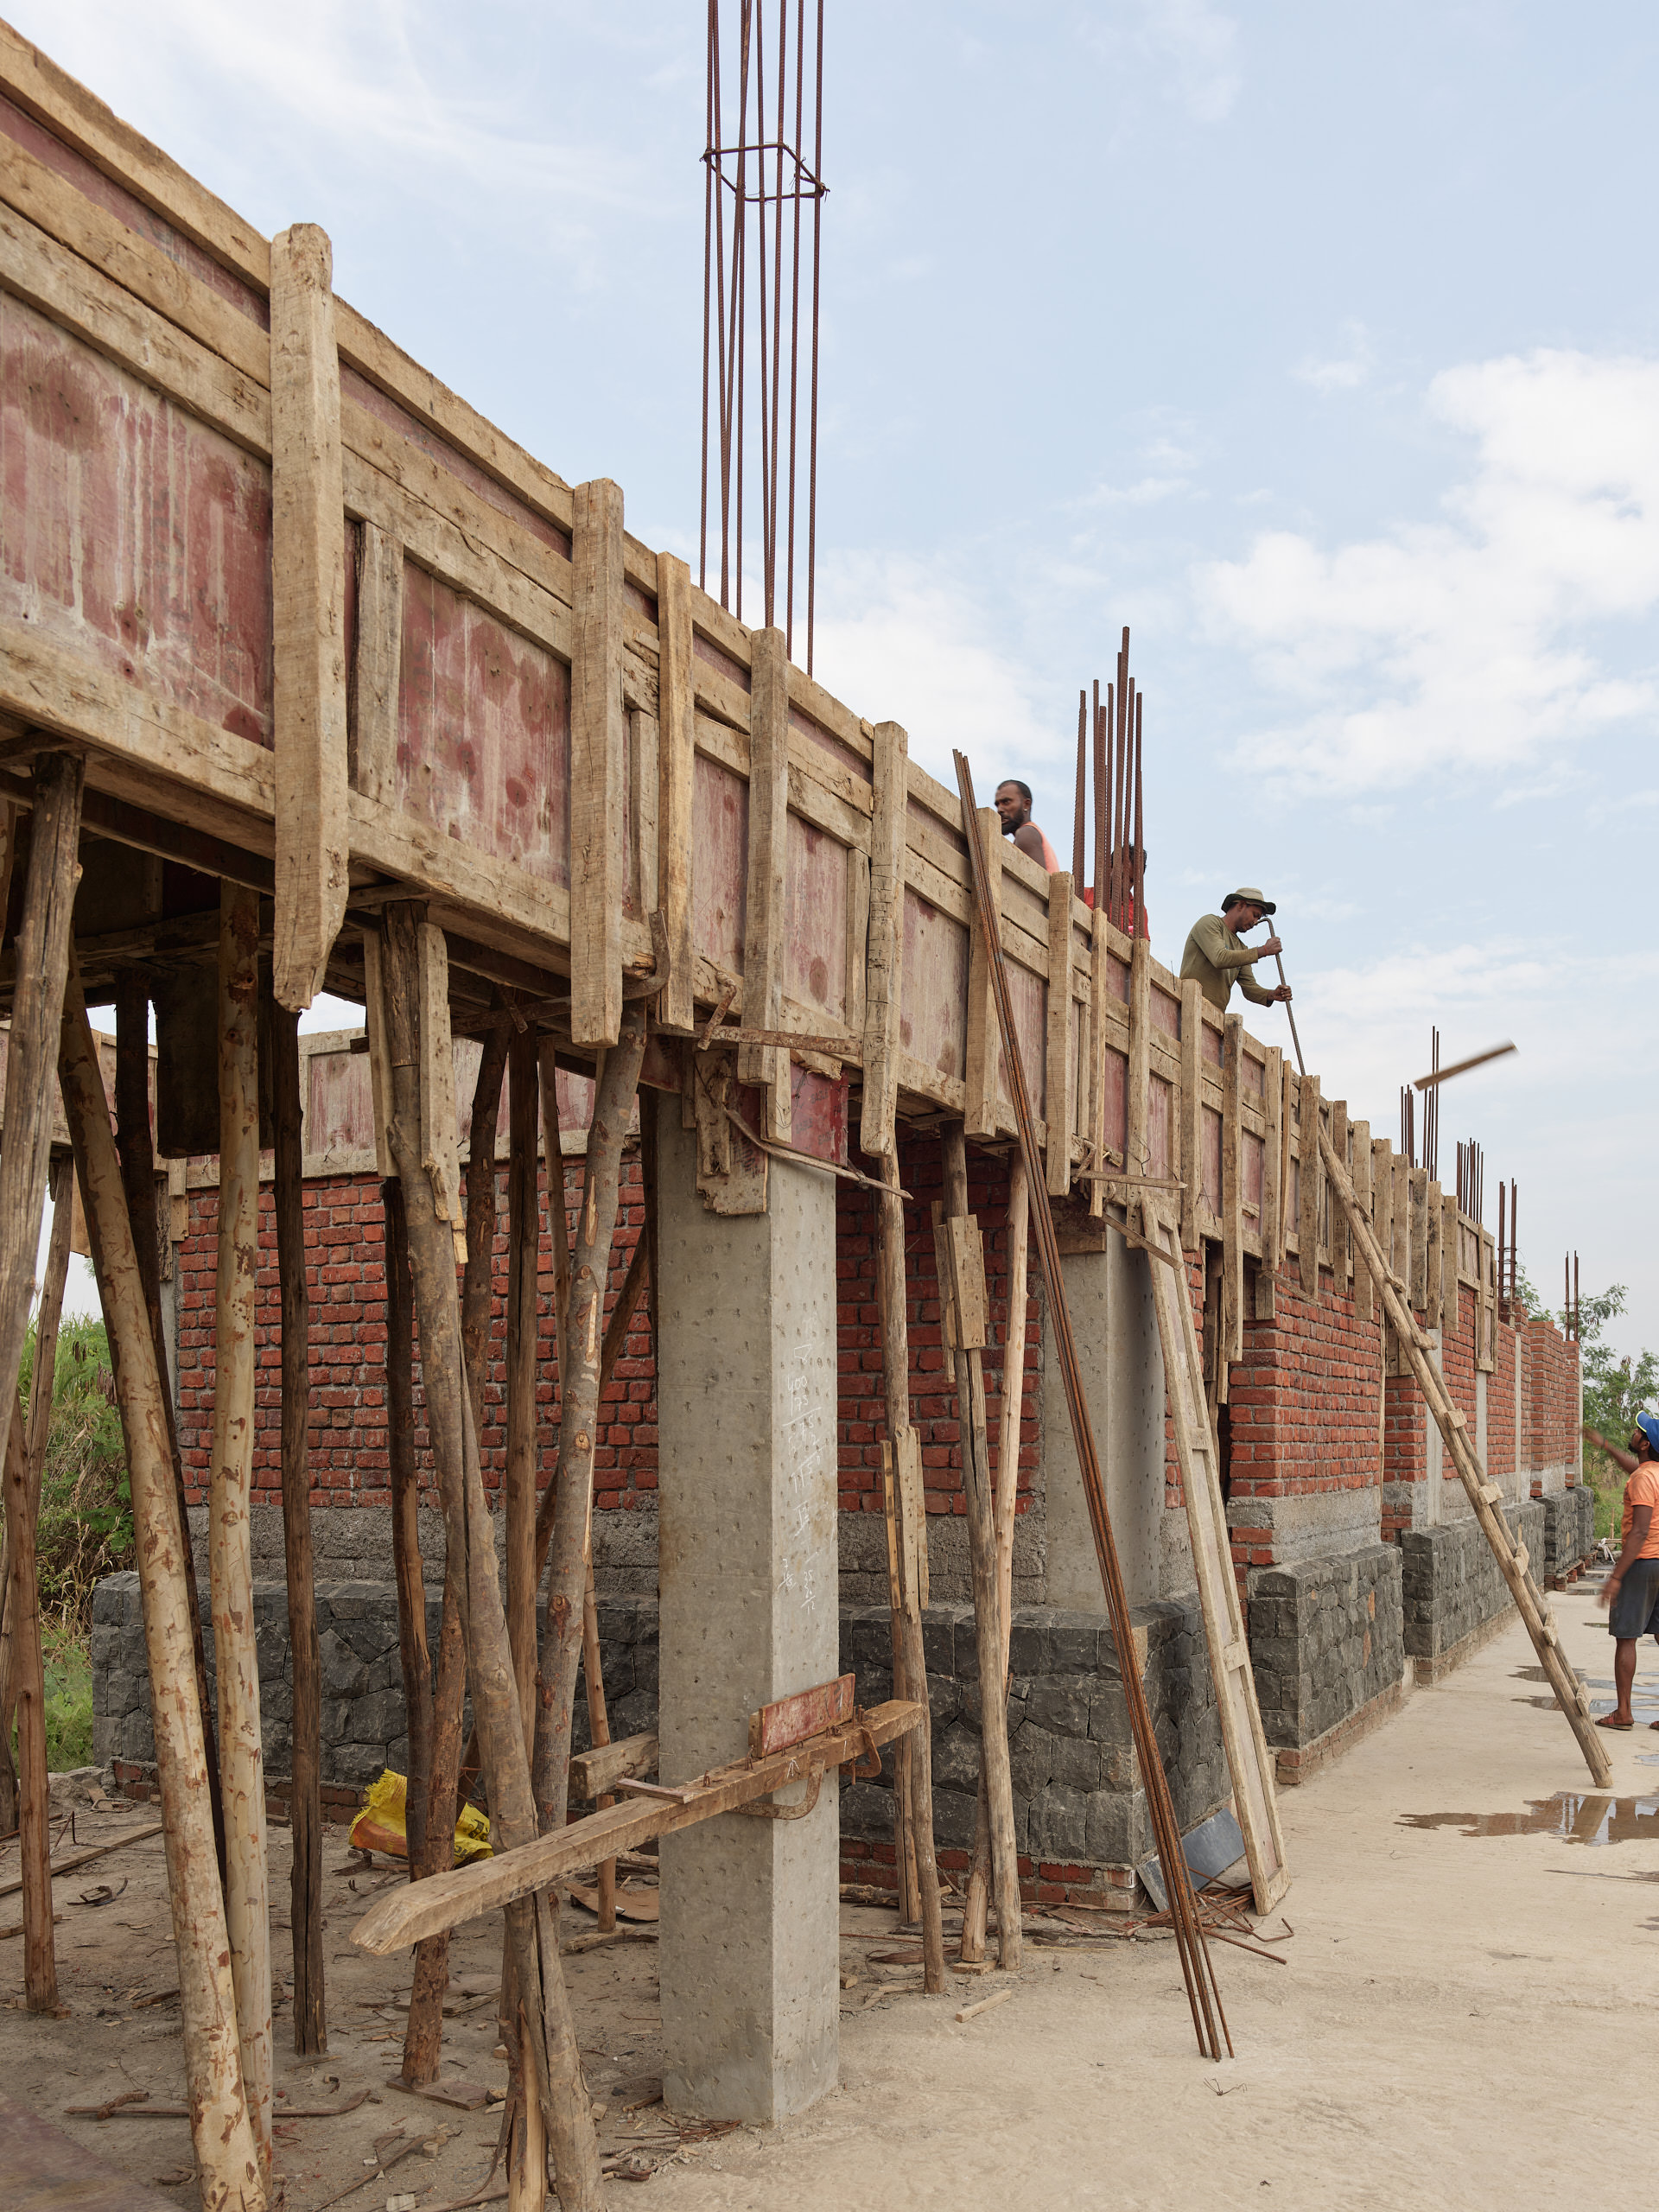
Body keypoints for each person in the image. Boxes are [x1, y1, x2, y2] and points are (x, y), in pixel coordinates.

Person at [1584, 1412, 1659, 1728]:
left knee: (1626, 1637)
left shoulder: (1644, 1479)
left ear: (1644, 1443)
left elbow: (1640, 1532)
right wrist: (1605, 1445)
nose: (1633, 1432)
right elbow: (1633, 1469)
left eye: (1637, 1431)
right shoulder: (1652, 1473)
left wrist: (1615, 1578)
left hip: (1642, 1564)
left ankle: (1624, 1713)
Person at [1179, 888, 1293, 1014]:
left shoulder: (1241, 948)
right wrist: (1264, 950)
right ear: (1241, 905)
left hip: (1214, 1015)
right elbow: (1219, 958)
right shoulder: (1210, 923)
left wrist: (1271, 995)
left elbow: (1249, 988)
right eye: (1255, 915)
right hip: (1188, 1005)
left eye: (1258, 918)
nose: (1255, 923)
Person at [995, 780, 1060, 873]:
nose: (1000, 809)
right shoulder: (1031, 833)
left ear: (1026, 804)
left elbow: (1036, 885)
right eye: (997, 805)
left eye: (1006, 802)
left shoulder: (1026, 834)